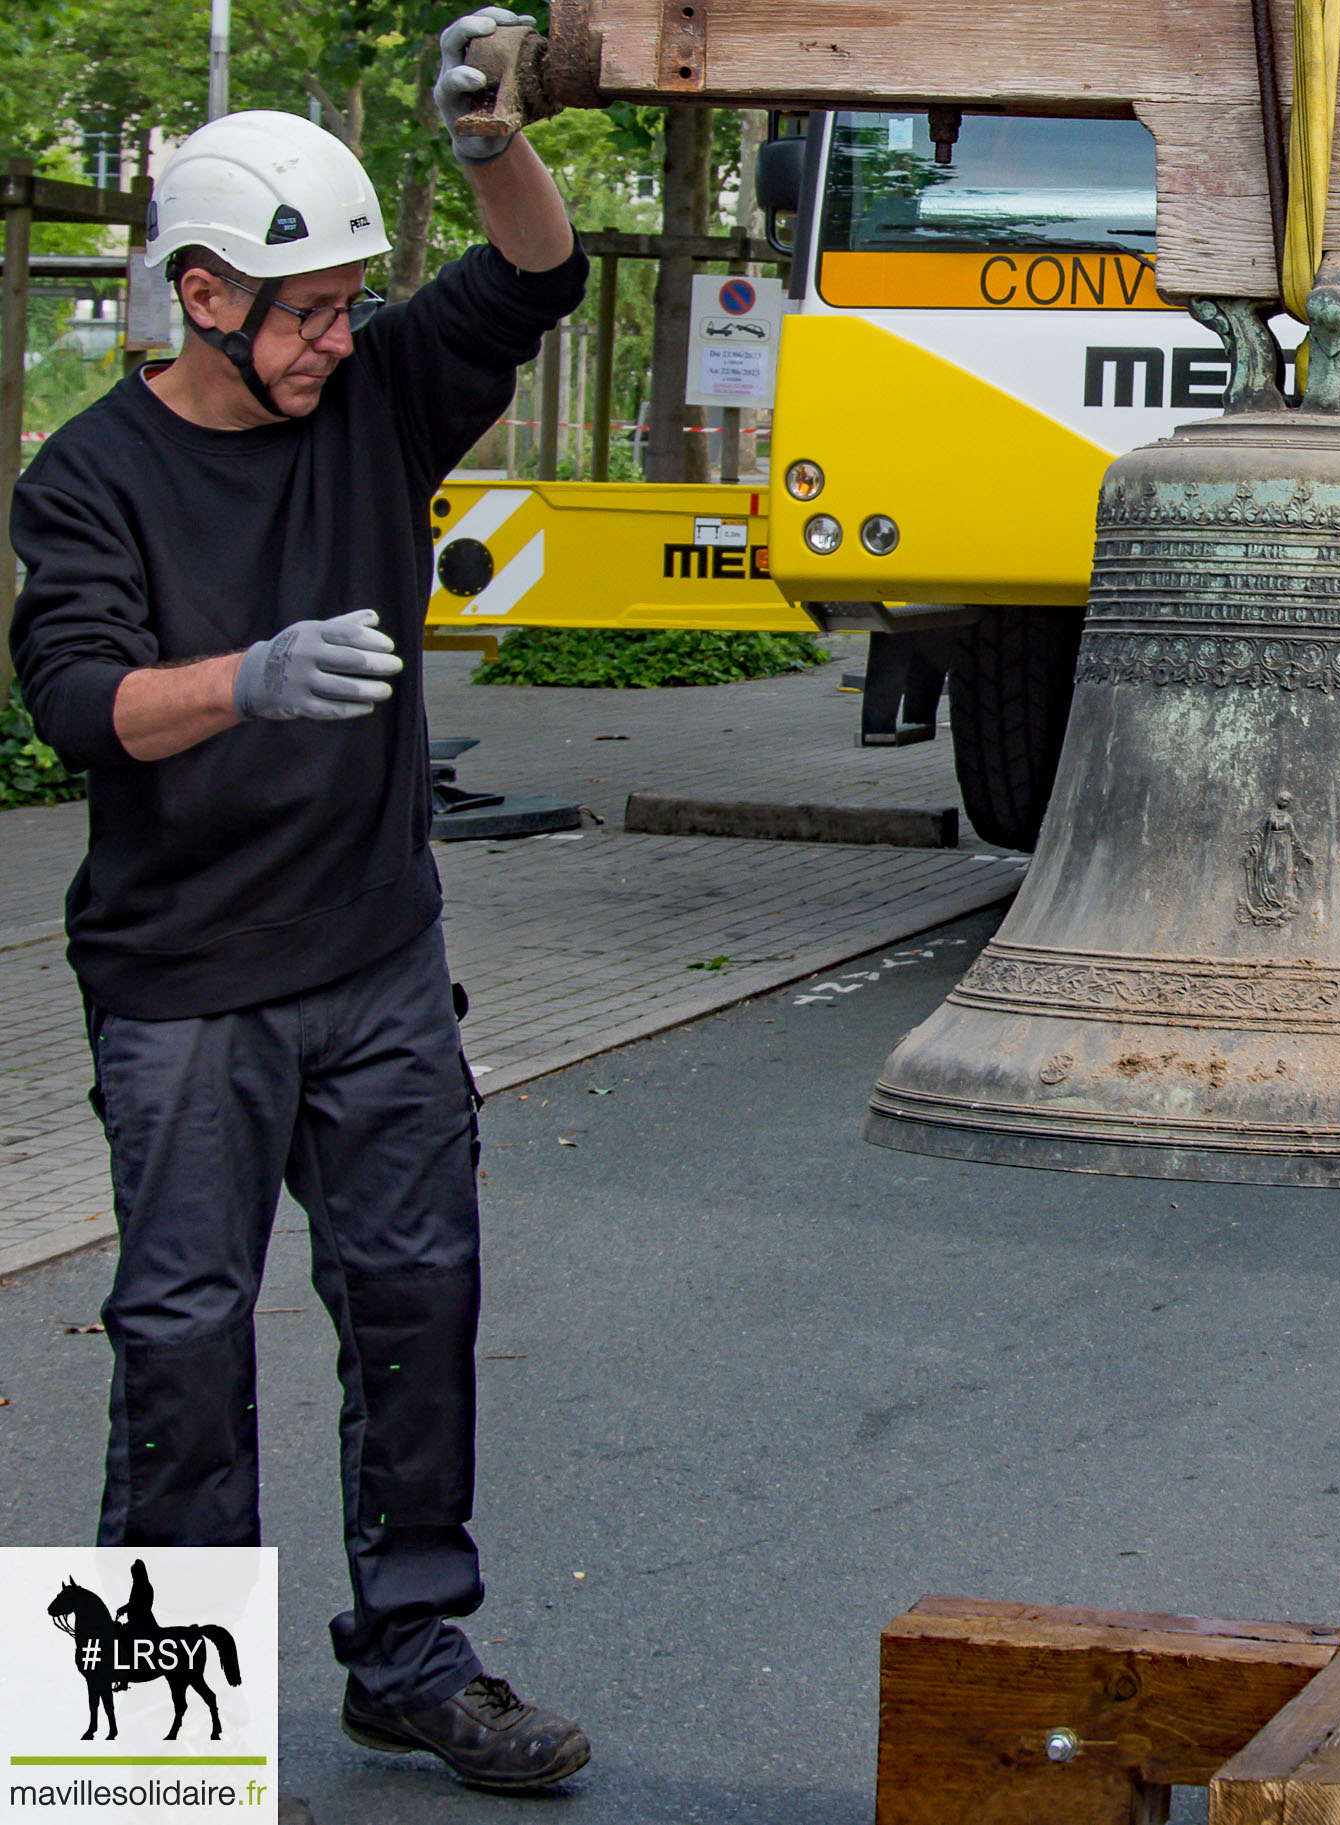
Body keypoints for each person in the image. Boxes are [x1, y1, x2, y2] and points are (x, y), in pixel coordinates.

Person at [8, 8, 594, 1795]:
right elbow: (75, 707)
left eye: (353, 300)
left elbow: (538, 276)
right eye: (308, 310)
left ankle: (413, 1660)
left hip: (376, 961)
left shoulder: (376, 396)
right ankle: (135, 1744)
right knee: (183, 1338)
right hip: (185, 985)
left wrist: (489, 139)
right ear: (204, 299)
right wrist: (248, 678)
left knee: (417, 1297)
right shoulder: (87, 478)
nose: (342, 335)